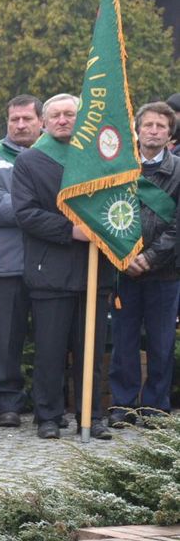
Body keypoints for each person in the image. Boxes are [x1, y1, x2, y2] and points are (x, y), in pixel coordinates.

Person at [12, 93, 113, 440]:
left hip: (95, 272)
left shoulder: (101, 160)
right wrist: (71, 231)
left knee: (92, 352)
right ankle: (49, 416)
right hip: (49, 271)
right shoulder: (30, 161)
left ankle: (92, 415)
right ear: (43, 121)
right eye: (55, 115)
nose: (62, 120)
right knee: (50, 352)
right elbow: (25, 214)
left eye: (70, 114)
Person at [0, 95, 44, 428]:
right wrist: (36, 211)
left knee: (50, 337)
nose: (20, 125)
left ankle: (48, 403)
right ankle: (9, 403)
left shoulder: (56, 154)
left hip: (50, 262)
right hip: (7, 262)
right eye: (14, 119)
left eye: (27, 119)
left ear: (40, 121)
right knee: (8, 338)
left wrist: (24, 208)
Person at [108, 101, 180, 426]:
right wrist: (125, 257)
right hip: (123, 270)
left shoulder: (178, 170)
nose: (153, 131)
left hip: (165, 271)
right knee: (123, 340)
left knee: (162, 342)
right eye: (148, 125)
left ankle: (155, 408)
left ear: (170, 133)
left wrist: (150, 257)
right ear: (137, 129)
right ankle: (122, 406)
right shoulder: (117, 166)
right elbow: (106, 213)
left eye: (161, 127)